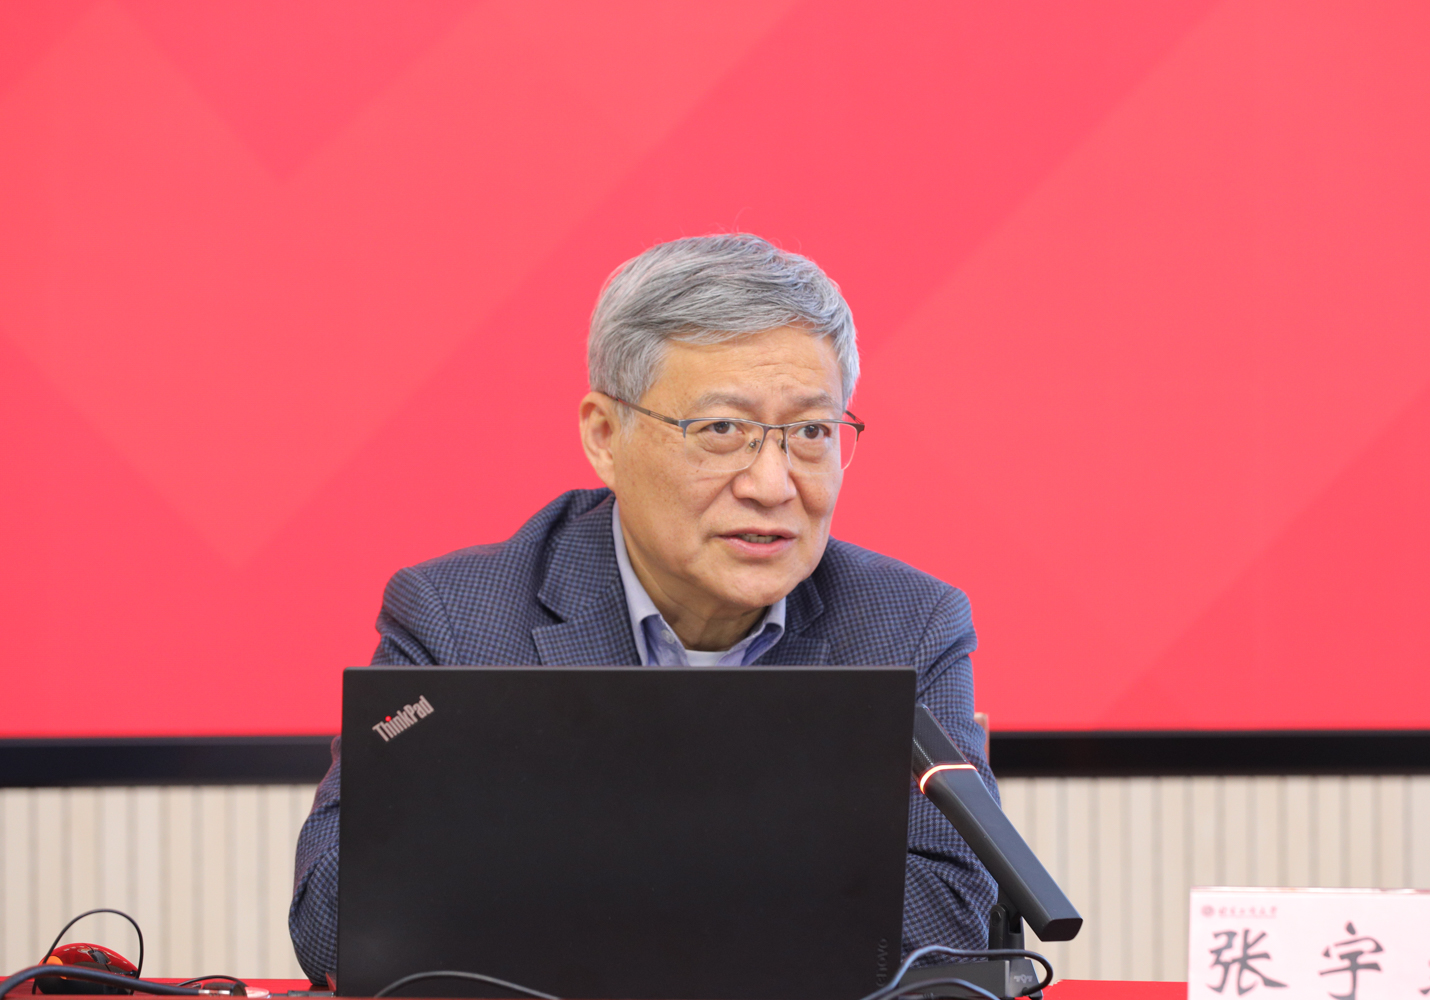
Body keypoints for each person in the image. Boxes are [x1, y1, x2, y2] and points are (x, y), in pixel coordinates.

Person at [288, 234, 998, 986]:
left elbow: (948, 916)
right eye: (722, 430)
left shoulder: (907, 624)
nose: (772, 484)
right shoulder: (460, 620)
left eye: (811, 433)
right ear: (605, 436)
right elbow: (338, 917)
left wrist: (583, 890)